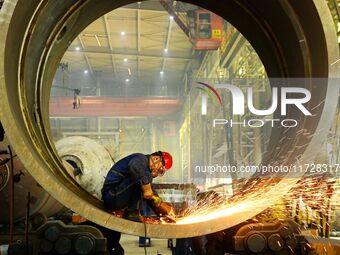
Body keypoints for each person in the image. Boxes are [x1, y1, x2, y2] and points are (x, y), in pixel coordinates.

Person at [101, 151, 175, 221]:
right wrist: (146, 187)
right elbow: (134, 167)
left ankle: (132, 212)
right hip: (111, 196)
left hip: (116, 196)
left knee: (145, 182)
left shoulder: (145, 173)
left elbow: (150, 194)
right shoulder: (141, 158)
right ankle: (131, 212)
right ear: (156, 159)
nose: (158, 171)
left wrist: (162, 208)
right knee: (143, 179)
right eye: (160, 168)